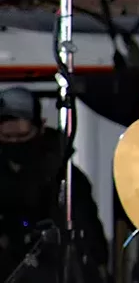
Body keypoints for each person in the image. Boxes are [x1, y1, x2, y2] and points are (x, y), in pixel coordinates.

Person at [0, 87, 108, 283]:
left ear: (40, 127)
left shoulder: (66, 178)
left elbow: (92, 243)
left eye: (22, 136)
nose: (14, 143)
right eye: (6, 138)